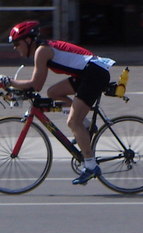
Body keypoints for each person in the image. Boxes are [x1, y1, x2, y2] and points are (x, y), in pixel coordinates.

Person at [0, 20, 115, 185]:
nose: (15, 47)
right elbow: (38, 86)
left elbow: (35, 85)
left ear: (28, 40)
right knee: (53, 92)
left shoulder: (42, 51)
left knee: (73, 122)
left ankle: (90, 166)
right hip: (88, 73)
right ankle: (87, 126)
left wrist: (8, 81)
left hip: (93, 74)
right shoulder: (42, 49)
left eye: (17, 43)